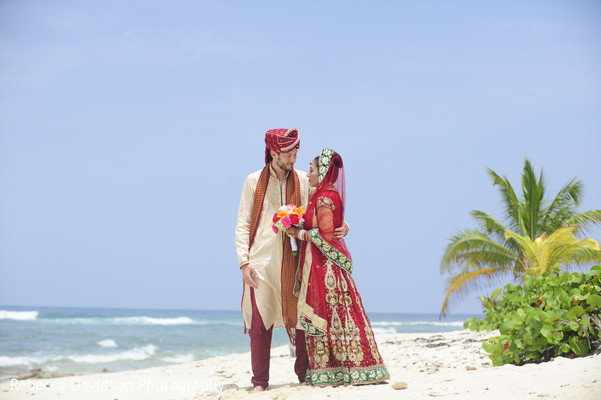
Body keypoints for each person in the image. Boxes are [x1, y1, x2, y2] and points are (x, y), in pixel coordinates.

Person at [235, 129, 349, 391]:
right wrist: (244, 261)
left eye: (296, 153)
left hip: (299, 259)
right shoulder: (253, 181)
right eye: (288, 154)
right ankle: (260, 381)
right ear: (274, 153)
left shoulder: (303, 179)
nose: (293, 158)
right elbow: (242, 223)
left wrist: (345, 226)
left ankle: (303, 375)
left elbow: (324, 204)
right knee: (259, 322)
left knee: (301, 319)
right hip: (261, 261)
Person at [286, 148, 390, 386]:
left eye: (311, 170)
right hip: (322, 264)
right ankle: (340, 368)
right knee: (340, 315)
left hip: (326, 267)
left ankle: (334, 370)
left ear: (321, 172)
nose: (307, 174)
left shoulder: (324, 198)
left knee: (329, 313)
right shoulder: (321, 194)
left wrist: (297, 233)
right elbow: (333, 226)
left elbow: (325, 235)